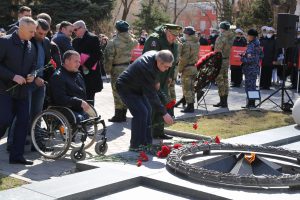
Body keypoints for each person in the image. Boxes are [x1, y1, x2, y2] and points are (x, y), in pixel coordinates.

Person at [116, 50, 174, 150]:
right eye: (166, 67)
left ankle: (146, 143)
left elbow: (152, 82)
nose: (167, 69)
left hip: (138, 87)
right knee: (141, 113)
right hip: (126, 87)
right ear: (159, 62)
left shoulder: (155, 55)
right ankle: (135, 145)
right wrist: (164, 113)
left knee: (148, 111)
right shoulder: (147, 68)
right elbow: (152, 95)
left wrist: (155, 81)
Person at [0, 17, 37, 165]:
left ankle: (17, 156)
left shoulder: (31, 46)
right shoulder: (4, 42)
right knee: (4, 121)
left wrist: (32, 75)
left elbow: (33, 64)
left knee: (23, 122)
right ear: (21, 28)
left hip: (23, 92)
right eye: (31, 31)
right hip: (4, 91)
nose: (33, 34)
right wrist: (13, 76)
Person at [143, 23, 182, 139]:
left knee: (162, 104)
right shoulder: (154, 40)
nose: (173, 38)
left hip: (165, 79)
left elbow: (173, 63)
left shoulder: (174, 44)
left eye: (176, 36)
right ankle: (146, 134)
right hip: (152, 78)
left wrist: (170, 77)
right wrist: (155, 80)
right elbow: (149, 61)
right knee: (151, 105)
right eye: (171, 35)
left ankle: (158, 132)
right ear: (166, 31)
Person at [104, 20, 138, 122]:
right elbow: (136, 42)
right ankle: (123, 113)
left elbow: (108, 58)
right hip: (128, 68)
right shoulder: (131, 40)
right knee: (125, 91)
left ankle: (119, 115)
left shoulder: (113, 42)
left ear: (117, 29)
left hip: (117, 68)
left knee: (117, 92)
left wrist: (107, 70)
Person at [49, 50, 90, 122]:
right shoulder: (58, 76)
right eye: (76, 61)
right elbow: (60, 99)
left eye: (79, 62)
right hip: (64, 109)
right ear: (67, 61)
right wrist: (79, 102)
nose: (78, 64)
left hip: (77, 108)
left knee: (91, 117)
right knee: (80, 118)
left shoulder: (78, 75)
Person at [72, 20, 103, 106]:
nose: (74, 32)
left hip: (90, 73)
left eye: (75, 30)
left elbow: (98, 54)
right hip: (78, 73)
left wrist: (86, 65)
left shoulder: (93, 38)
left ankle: (91, 116)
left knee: (89, 97)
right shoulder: (75, 41)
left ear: (82, 28)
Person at [213, 21, 235, 108]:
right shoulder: (231, 37)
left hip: (220, 60)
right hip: (227, 60)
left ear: (222, 28)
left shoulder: (221, 38)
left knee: (219, 80)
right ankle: (224, 101)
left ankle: (222, 101)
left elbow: (217, 50)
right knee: (225, 80)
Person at [177, 26, 199, 113]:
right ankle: (191, 105)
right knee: (191, 88)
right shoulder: (196, 42)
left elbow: (184, 59)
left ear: (187, 34)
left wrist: (179, 69)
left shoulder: (186, 44)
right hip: (193, 67)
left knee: (187, 88)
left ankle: (190, 107)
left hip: (187, 68)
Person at [241, 29, 261, 108]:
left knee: (251, 87)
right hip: (253, 69)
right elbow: (261, 55)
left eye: (248, 35)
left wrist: (242, 59)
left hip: (250, 69)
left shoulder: (252, 45)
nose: (247, 37)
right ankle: (250, 103)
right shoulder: (257, 44)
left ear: (252, 36)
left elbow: (251, 59)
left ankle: (251, 104)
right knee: (251, 86)